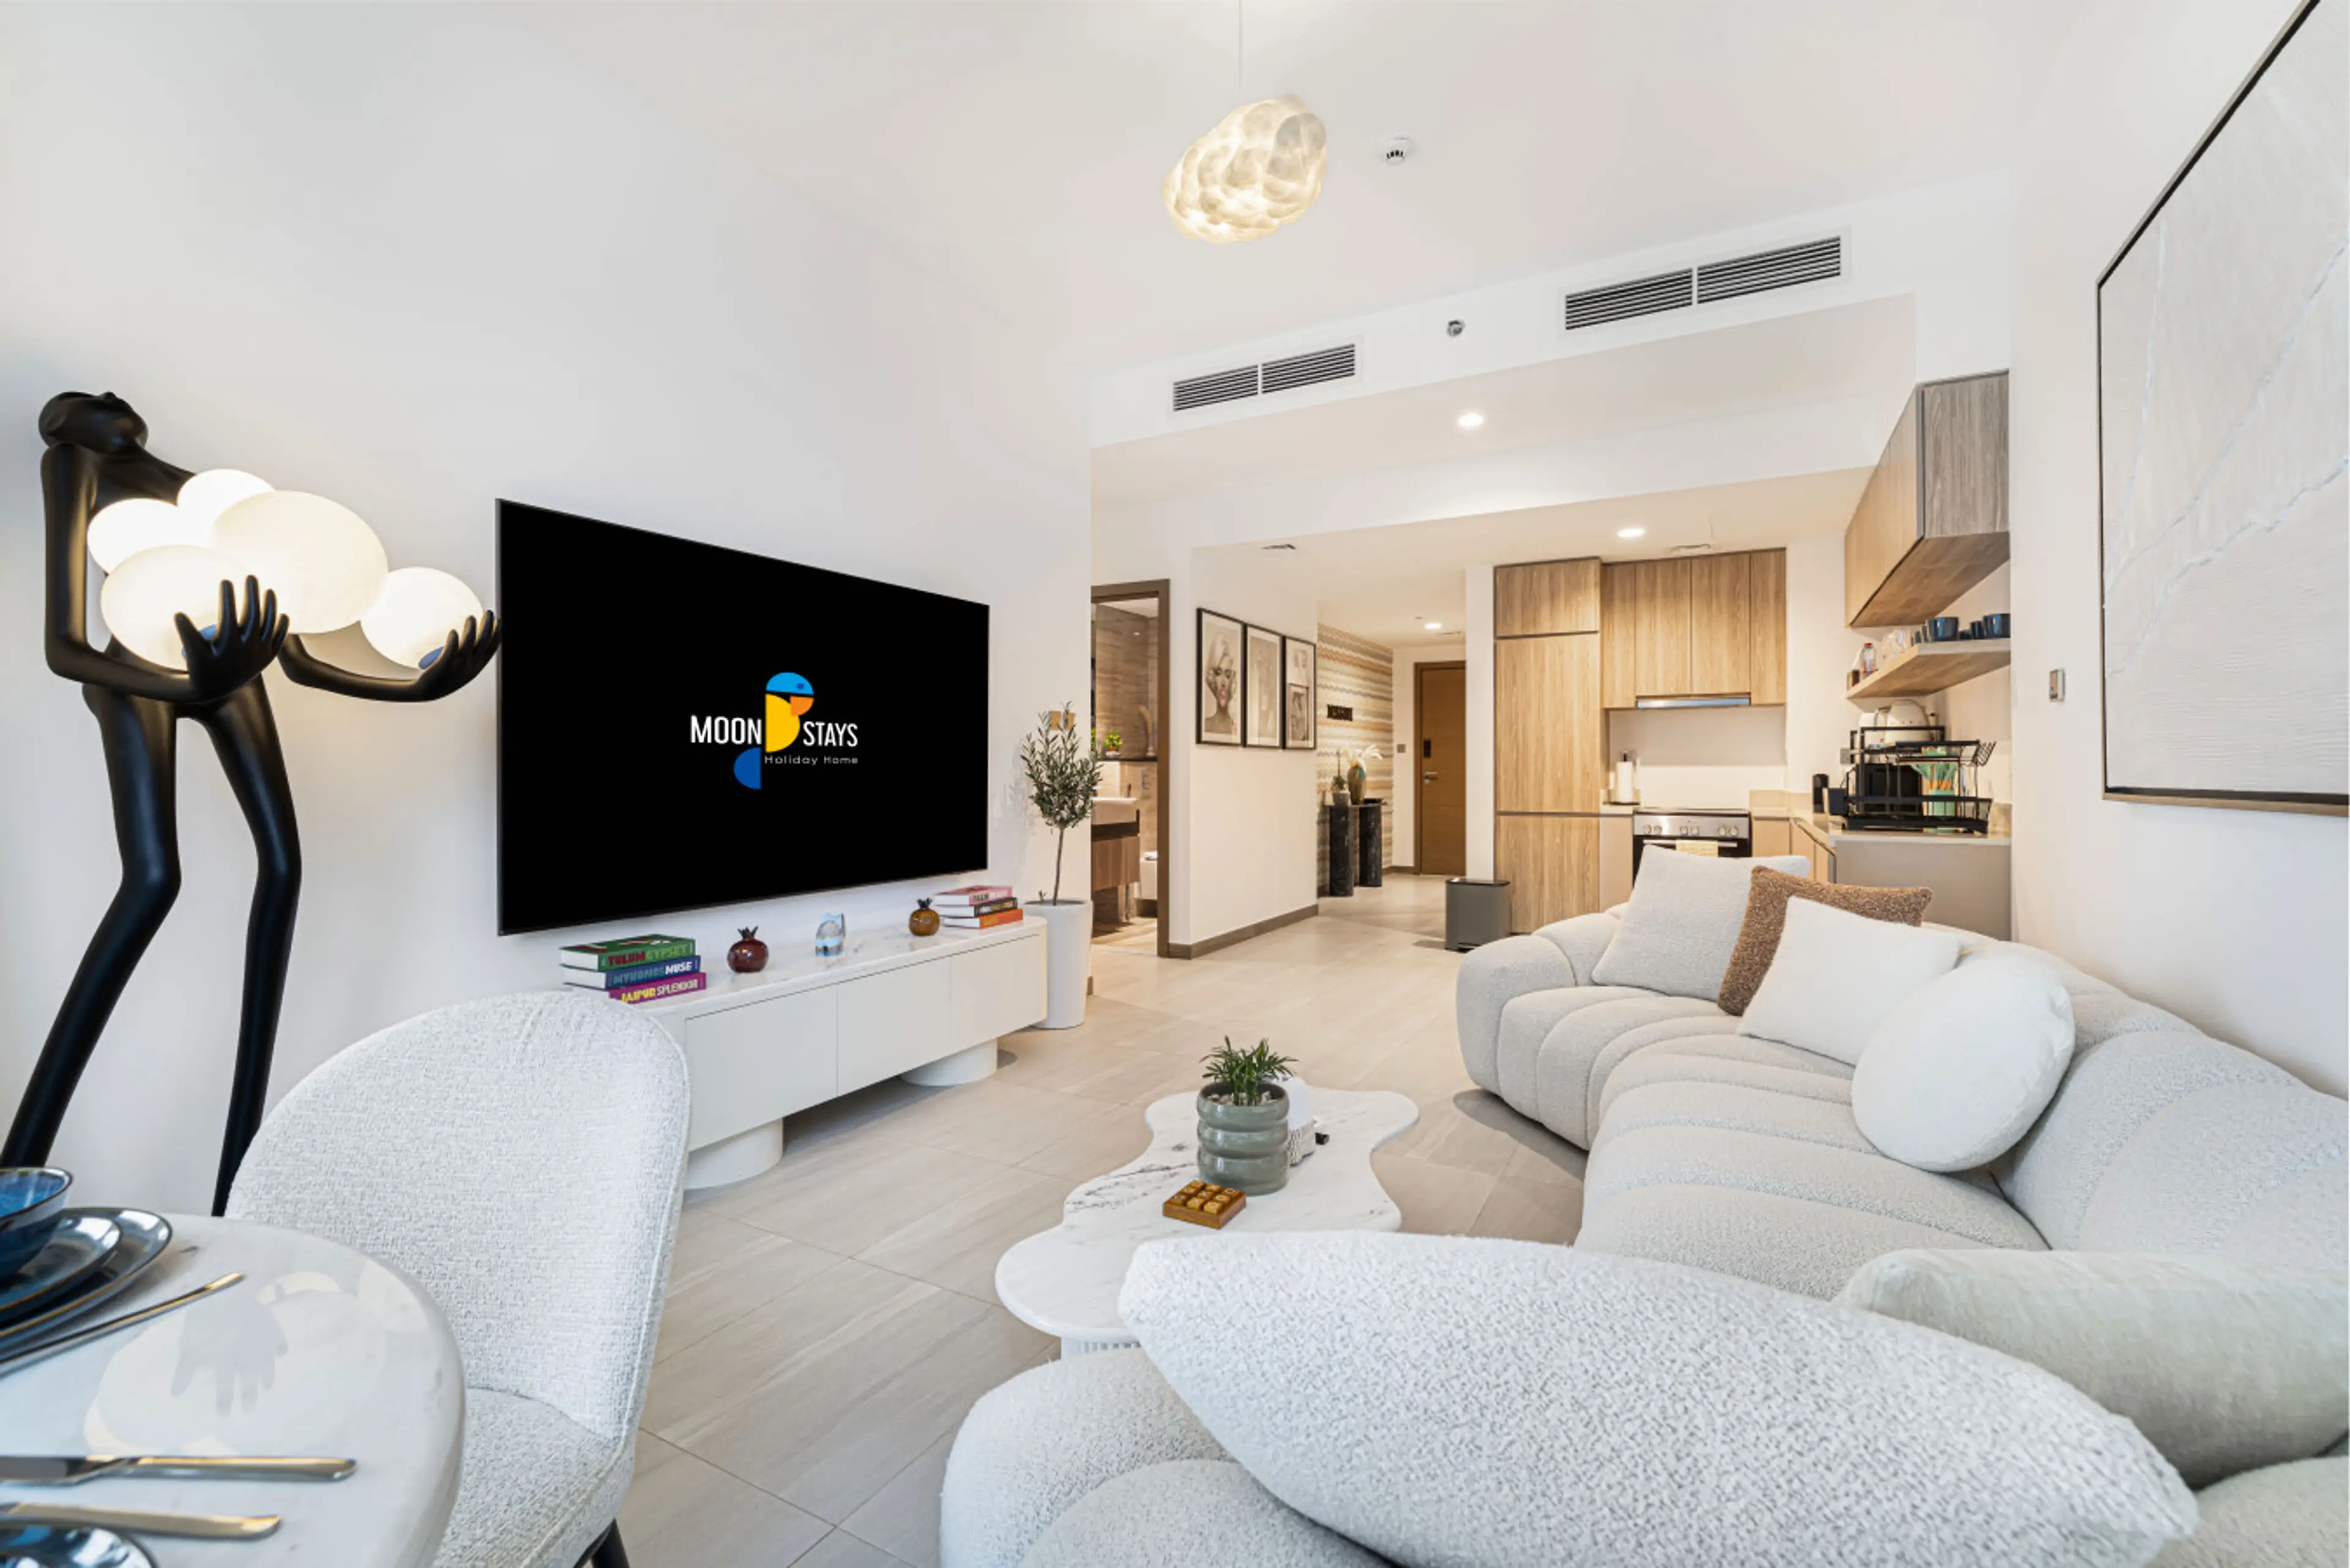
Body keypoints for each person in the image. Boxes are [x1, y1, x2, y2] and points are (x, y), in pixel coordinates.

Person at [5, 391, 498, 1212]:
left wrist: (416, 689)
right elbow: (67, 648)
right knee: (153, 881)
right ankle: (17, 1174)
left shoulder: (211, 490)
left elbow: (298, 660)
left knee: (284, 868)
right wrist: (184, 682)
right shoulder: (74, 467)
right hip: (139, 670)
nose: (109, 401)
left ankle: (238, 1185)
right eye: (82, 403)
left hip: (229, 671)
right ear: (64, 427)